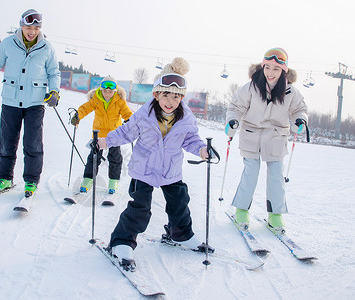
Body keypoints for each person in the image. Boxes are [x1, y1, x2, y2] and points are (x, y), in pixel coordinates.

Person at [97, 58, 210, 269]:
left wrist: (202, 150)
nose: (170, 101)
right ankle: (121, 242)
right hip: (144, 169)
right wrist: (105, 140)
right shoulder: (144, 115)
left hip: (170, 171)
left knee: (179, 203)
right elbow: (126, 132)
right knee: (140, 207)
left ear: (182, 97)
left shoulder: (186, 118)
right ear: (156, 94)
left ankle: (180, 235)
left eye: (176, 96)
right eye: (165, 94)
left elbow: (191, 139)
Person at [0, 9, 61, 196]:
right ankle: (4, 178)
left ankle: (31, 181)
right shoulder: (8, 44)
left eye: (36, 28)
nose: (32, 31)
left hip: (35, 103)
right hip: (11, 101)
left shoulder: (46, 48)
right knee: (6, 142)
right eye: (28, 27)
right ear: (21, 25)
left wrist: (54, 91)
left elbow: (54, 73)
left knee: (33, 143)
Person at [225, 47, 308, 233]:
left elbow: (300, 109)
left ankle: (275, 215)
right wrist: (232, 120)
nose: (271, 72)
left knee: (276, 175)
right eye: (267, 67)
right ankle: (241, 210)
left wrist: (300, 120)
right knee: (251, 171)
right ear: (262, 67)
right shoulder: (251, 87)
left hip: (276, 136)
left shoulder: (290, 91)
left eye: (276, 68)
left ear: (284, 71)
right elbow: (236, 107)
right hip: (251, 134)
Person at [71, 76, 133, 194]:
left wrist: (131, 120)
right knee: (94, 157)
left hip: (114, 134)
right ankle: (88, 180)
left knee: (115, 157)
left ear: (114, 91)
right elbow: (85, 108)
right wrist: (78, 115)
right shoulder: (96, 99)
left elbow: (127, 113)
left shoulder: (119, 101)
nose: (107, 94)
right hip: (98, 133)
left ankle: (113, 182)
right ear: (101, 89)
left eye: (110, 92)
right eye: (105, 91)